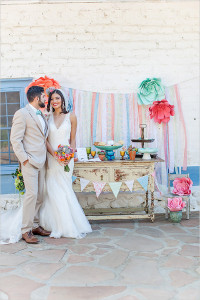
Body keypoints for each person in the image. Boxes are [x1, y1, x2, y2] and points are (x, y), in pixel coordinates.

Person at [39, 88, 92, 238]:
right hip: (52, 158)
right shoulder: (46, 117)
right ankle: (55, 224)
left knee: (64, 189)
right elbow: (45, 140)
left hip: (67, 159)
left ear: (62, 100)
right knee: (53, 189)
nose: (55, 101)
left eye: (57, 98)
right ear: (49, 102)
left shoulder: (71, 117)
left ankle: (69, 223)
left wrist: (70, 154)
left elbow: (73, 139)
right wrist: (54, 155)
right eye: (52, 99)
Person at [10, 86, 51, 244]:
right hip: (30, 162)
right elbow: (15, 139)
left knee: (39, 196)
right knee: (31, 195)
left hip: (42, 161)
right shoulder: (22, 114)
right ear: (36, 98)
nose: (45, 99)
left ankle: (34, 226)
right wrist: (24, 159)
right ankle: (25, 230)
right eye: (43, 96)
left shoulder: (41, 114)